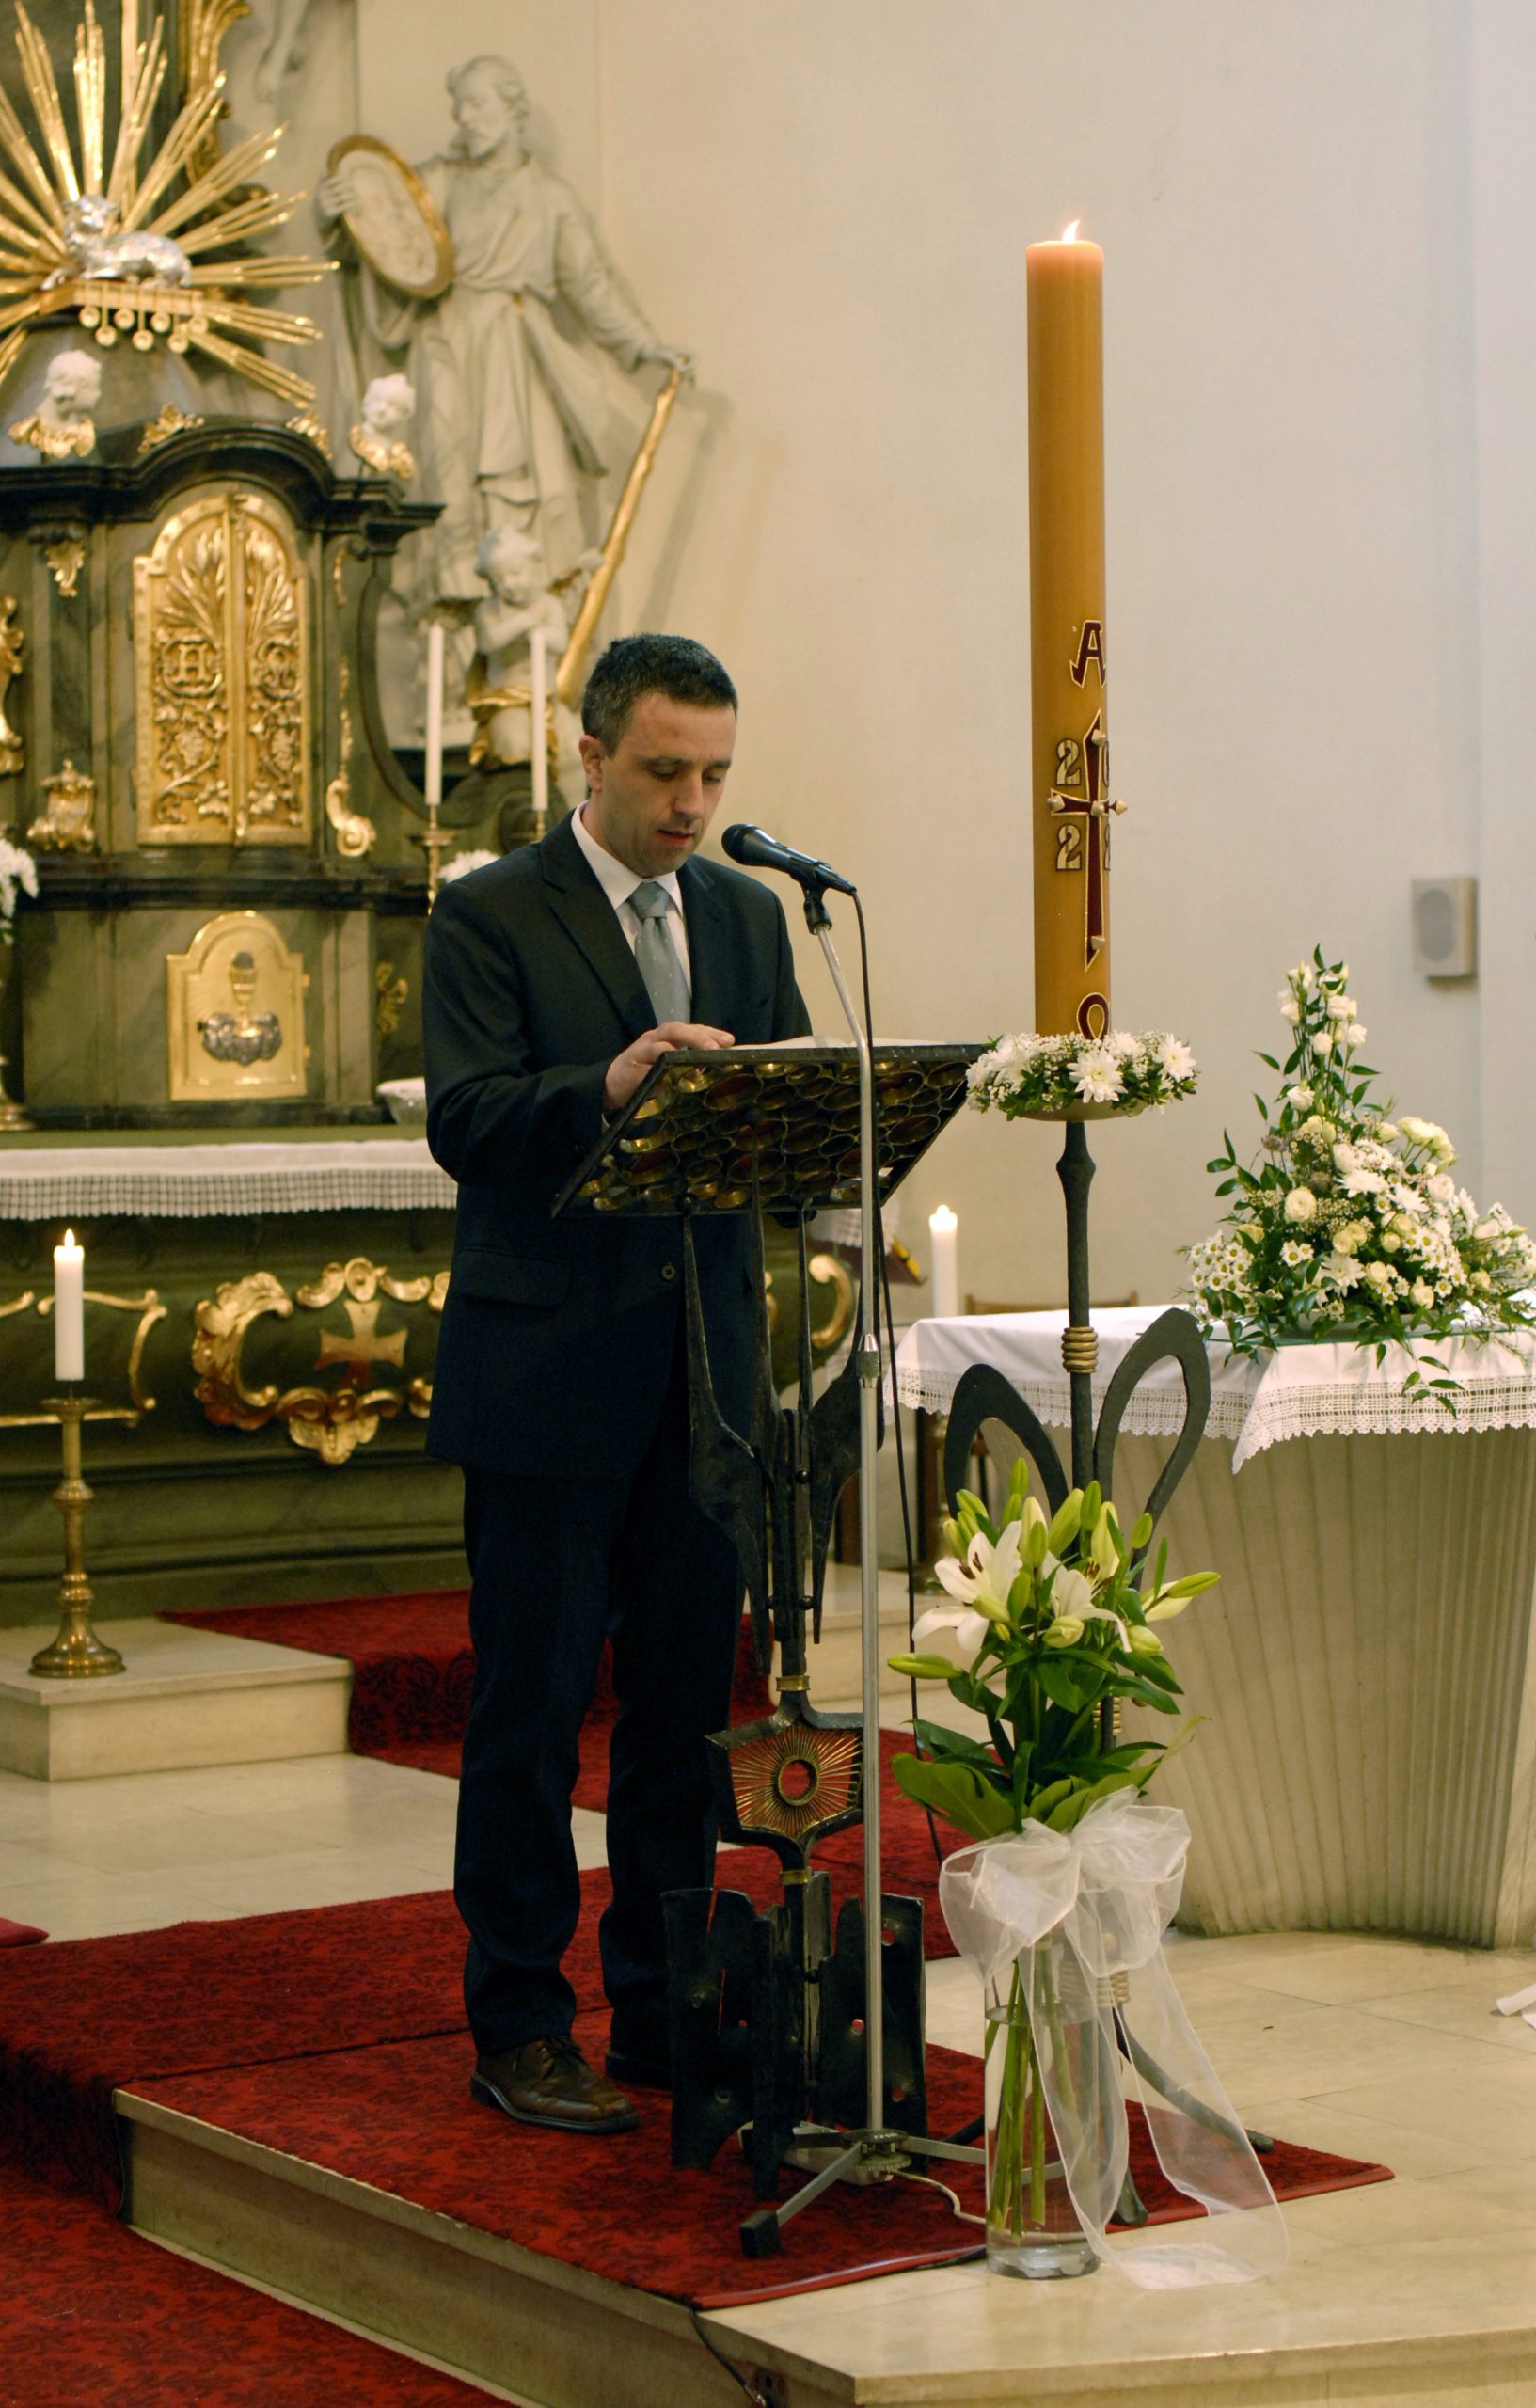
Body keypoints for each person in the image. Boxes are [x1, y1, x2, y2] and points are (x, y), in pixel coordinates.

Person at [423, 632, 809, 2133]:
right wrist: (609, 1085)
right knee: (530, 1713)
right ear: (589, 755)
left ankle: (660, 2002)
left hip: (704, 1375)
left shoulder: (745, 911)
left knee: (679, 1713)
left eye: (712, 774)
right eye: (661, 771)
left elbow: (777, 1108)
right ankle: (520, 2019)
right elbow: (464, 1119)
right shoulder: (489, 913)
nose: (690, 804)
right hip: (546, 1367)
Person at [318, 55, 689, 610]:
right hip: (444, 345)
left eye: (477, 103)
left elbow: (590, 285)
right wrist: (336, 217)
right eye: (459, 106)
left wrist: (644, 346)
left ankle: (526, 621)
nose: (464, 118)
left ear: (514, 108)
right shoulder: (437, 182)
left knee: (522, 485)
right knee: (446, 479)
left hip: (514, 353)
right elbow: (386, 241)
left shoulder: (550, 197)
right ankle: (454, 622)